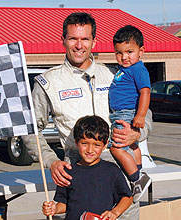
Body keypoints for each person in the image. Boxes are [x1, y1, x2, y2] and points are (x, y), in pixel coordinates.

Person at [22, 12, 152, 220]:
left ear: (94, 42)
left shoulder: (115, 75)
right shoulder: (48, 82)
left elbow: (145, 112)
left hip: (121, 179)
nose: (79, 45)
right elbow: (30, 131)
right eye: (73, 38)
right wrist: (51, 161)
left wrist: (138, 133)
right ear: (63, 40)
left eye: (85, 39)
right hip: (79, 178)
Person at [42, 115, 133, 220]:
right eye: (84, 143)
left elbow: (127, 197)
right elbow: (65, 204)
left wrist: (115, 213)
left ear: (105, 145)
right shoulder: (67, 172)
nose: (90, 150)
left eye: (96, 145)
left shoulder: (111, 171)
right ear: (76, 142)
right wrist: (54, 209)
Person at [108, 25, 151, 203]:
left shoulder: (138, 69)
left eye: (129, 51)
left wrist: (140, 115)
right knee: (132, 147)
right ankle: (139, 172)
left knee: (116, 147)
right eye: (119, 53)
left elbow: (145, 92)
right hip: (120, 113)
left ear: (141, 51)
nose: (124, 57)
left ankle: (136, 179)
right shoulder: (123, 69)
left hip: (126, 113)